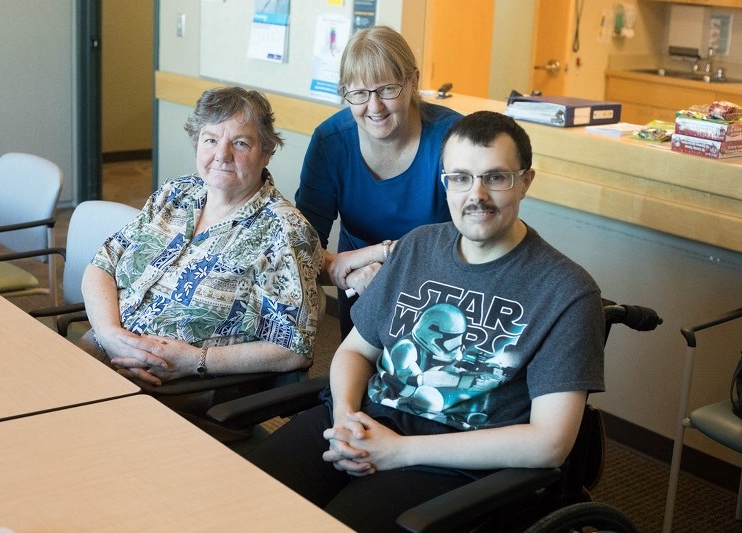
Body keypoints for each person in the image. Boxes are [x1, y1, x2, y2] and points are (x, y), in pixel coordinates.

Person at [247, 111, 605, 531]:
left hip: (448, 462)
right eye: (460, 178)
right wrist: (344, 414)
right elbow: (356, 351)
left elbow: (549, 444)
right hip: (359, 421)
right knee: (239, 500)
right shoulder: (419, 247)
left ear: (525, 181)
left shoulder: (566, 291)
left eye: (496, 177)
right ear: (445, 183)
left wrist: (399, 451)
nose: (477, 194)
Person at [78, 87, 323, 400]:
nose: (222, 155)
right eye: (211, 140)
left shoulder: (285, 232)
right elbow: (103, 263)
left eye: (240, 143)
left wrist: (195, 361)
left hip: (185, 387)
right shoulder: (175, 194)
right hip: (104, 351)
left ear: (265, 152)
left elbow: (294, 350)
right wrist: (110, 334)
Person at [295, 25, 462, 338]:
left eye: (387, 89)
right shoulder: (331, 142)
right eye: (359, 93)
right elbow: (302, 250)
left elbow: (478, 239)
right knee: (357, 381)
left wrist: (383, 255)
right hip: (362, 286)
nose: (375, 107)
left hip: (441, 295)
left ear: (413, 81)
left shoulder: (453, 139)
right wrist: (355, 269)